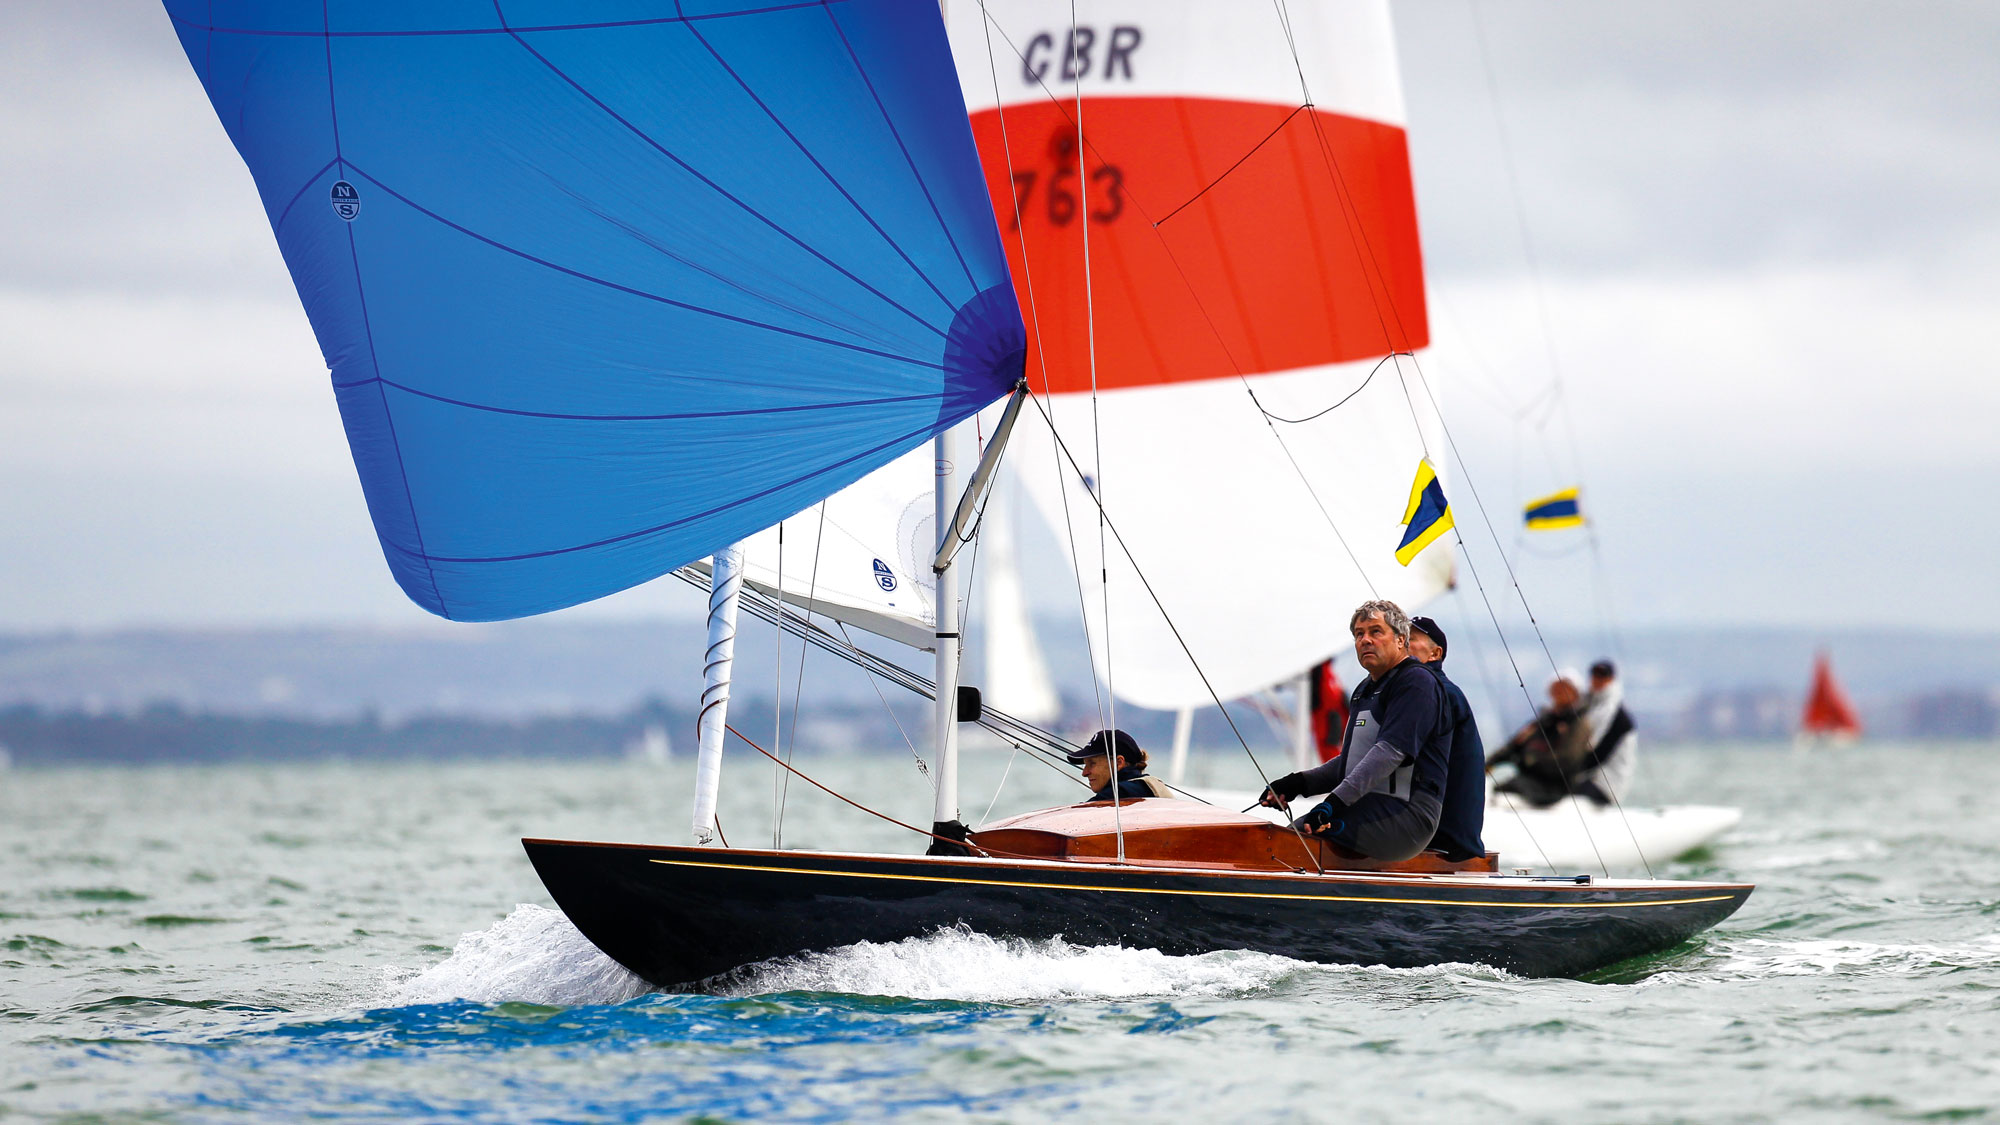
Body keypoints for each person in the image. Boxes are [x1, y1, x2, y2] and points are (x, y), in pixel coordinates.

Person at [1256, 600, 1451, 862]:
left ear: (1401, 640)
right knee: (1290, 836)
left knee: (1299, 839)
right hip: (1369, 806)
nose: (1365, 640)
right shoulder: (1364, 689)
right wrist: (1297, 783)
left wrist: (1332, 804)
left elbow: (1389, 754)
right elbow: (1350, 763)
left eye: (1375, 631)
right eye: (1359, 634)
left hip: (1407, 816)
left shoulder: (1416, 681)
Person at [1407, 616, 1486, 861]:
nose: (1402, 645)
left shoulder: (1437, 693)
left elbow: (1399, 757)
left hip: (1445, 841)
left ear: (1435, 654)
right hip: (1445, 835)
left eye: (1411, 639)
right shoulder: (1430, 690)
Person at [1485, 670, 1592, 807]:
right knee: (1497, 791)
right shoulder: (1544, 720)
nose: (1559, 692)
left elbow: (1567, 759)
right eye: (1556, 688)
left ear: (1576, 693)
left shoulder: (1579, 723)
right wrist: (1487, 765)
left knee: (1507, 792)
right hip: (1529, 780)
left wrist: (1532, 759)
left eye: (1565, 688)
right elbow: (1515, 745)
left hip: (1555, 787)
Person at [1574, 659, 1637, 805]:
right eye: (1595, 675)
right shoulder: (1588, 705)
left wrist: (1568, 773)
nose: (1598, 680)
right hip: (1586, 778)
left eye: (1603, 676)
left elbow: (1599, 755)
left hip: (1607, 784)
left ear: (1612, 679)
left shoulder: (1618, 715)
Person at [1069, 729, 1173, 802]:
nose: (1084, 773)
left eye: (1092, 763)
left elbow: (1075, 819)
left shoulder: (1121, 793)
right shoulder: (1143, 787)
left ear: (1119, 762)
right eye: (1085, 765)